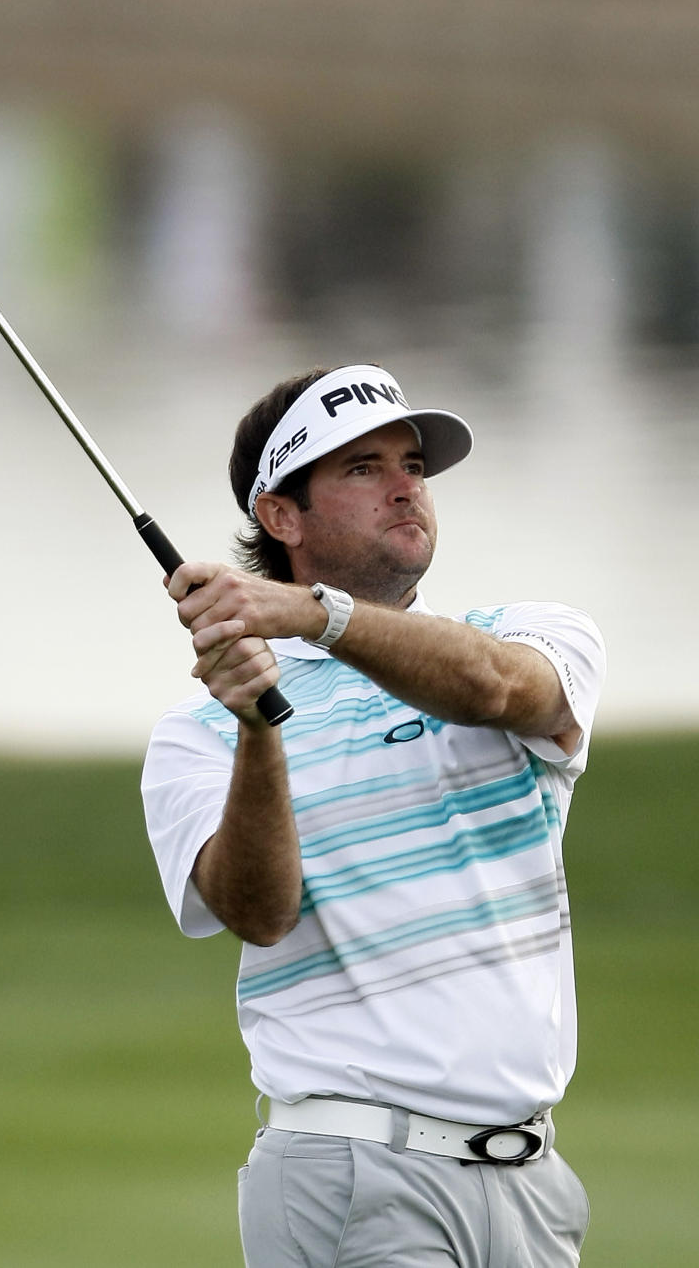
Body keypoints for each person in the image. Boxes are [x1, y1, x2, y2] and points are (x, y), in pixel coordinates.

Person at [141, 363, 606, 1267]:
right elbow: (259, 909)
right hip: (354, 1168)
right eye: (362, 468)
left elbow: (498, 686)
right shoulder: (199, 735)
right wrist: (258, 731)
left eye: (413, 465)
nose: (405, 486)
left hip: (534, 1181)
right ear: (283, 514)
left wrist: (319, 617)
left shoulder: (534, 633)